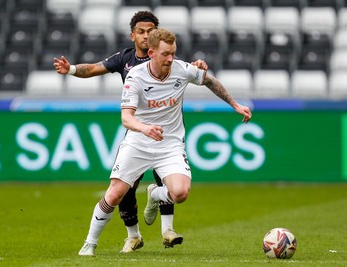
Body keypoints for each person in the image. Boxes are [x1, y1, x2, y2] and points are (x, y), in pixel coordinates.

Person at [78, 28, 252, 256]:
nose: (171, 58)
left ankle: (155, 194)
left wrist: (235, 104)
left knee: (180, 193)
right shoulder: (136, 76)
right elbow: (126, 118)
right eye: (166, 54)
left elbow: (209, 81)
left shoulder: (182, 69)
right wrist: (145, 128)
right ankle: (89, 244)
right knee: (115, 194)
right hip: (138, 142)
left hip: (169, 144)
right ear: (151, 53)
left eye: (173, 53)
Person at [53, 11, 208, 253]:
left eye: (150, 31)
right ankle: (132, 235)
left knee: (167, 180)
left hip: (166, 133)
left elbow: (192, 72)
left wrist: (199, 68)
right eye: (142, 31)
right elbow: (93, 68)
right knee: (123, 189)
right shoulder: (125, 60)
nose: (146, 36)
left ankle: (167, 230)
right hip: (138, 132)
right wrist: (72, 69)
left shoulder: (167, 58)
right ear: (133, 35)